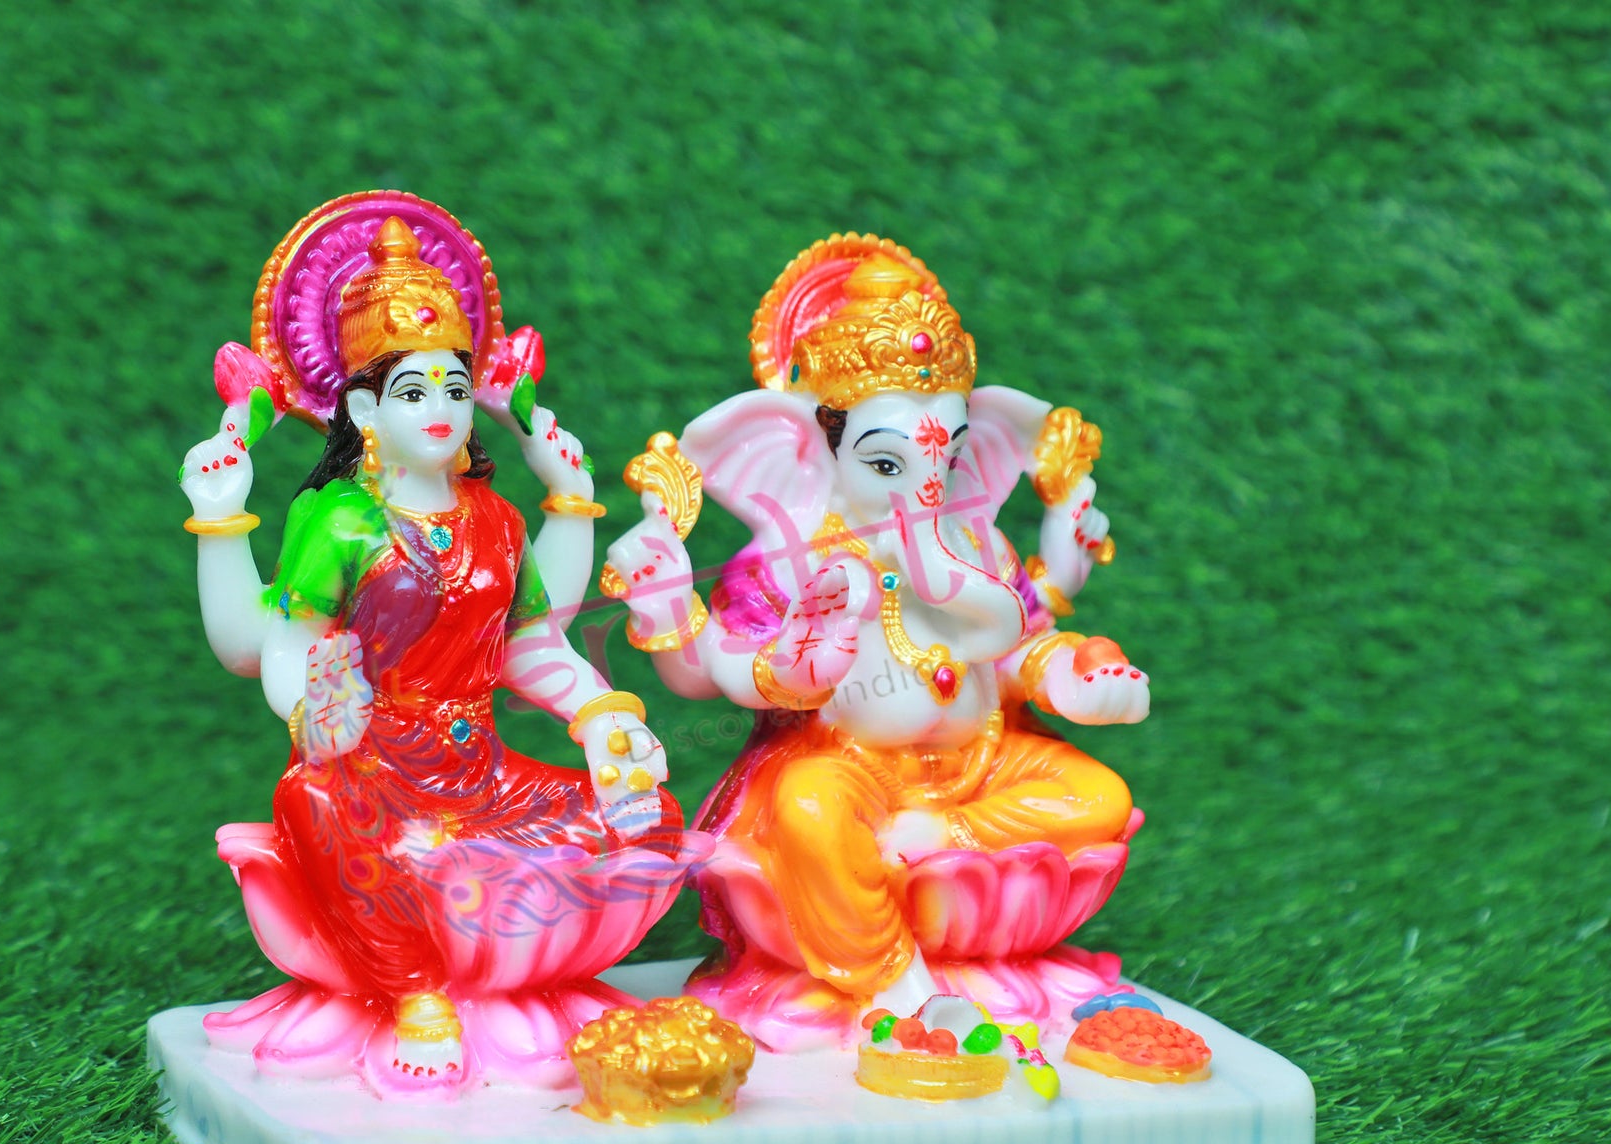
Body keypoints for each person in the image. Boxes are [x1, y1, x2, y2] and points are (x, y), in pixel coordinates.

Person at [179, 195, 697, 1096]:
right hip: (369, 769)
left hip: (480, 773)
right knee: (312, 801)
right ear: (363, 408)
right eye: (413, 392)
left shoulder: (497, 521)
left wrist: (600, 717)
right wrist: (318, 712)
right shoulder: (340, 521)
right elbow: (290, 645)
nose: (442, 410)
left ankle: (514, 959)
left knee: (644, 814)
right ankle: (415, 989)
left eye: (455, 390)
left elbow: (528, 649)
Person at [606, 235, 1146, 1050]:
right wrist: (701, 622)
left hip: (980, 769)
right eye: (888, 465)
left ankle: (944, 852)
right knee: (808, 809)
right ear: (815, 449)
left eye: (947, 459)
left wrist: (1071, 674)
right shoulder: (792, 559)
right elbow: (709, 674)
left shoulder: (976, 542)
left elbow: (1014, 646)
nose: (927, 491)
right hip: (847, 769)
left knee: (1098, 795)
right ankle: (895, 982)